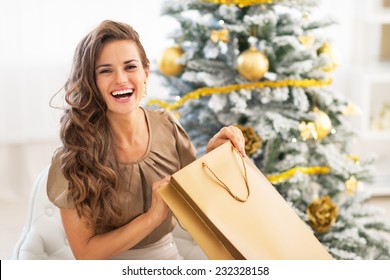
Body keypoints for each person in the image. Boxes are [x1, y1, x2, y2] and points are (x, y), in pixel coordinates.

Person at [47, 20, 246, 260]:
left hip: (167, 259)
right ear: (92, 82)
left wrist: (214, 155)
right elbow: (85, 253)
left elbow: (196, 200)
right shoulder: (74, 155)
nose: (121, 79)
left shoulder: (168, 128)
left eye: (130, 66)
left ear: (146, 72)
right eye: (105, 70)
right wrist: (151, 217)